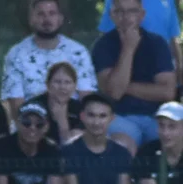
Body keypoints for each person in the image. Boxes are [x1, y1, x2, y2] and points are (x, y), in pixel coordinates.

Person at [93, 0, 177, 155]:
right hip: (120, 117)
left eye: (132, 11)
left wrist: (124, 85)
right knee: (121, 147)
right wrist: (128, 48)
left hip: (157, 118)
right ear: (112, 15)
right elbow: (114, 94)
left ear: (141, 14)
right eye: (120, 11)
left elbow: (167, 92)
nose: (126, 17)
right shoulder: (102, 46)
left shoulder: (157, 44)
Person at [1, 0, 97, 123]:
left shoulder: (78, 52)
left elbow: (86, 98)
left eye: (52, 13)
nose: (47, 19)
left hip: (73, 122)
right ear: (31, 19)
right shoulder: (16, 54)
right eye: (40, 14)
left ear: (60, 19)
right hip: (31, 125)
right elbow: (15, 105)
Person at [98, 0, 182, 84]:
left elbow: (173, 37)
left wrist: (180, 65)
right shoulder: (114, 2)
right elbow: (106, 36)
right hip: (127, 66)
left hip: (161, 69)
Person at [27, 62, 85, 145]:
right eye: (57, 82)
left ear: (74, 86)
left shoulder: (79, 108)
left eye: (67, 82)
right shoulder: (34, 106)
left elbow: (72, 145)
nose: (62, 87)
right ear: (48, 84)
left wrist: (62, 120)